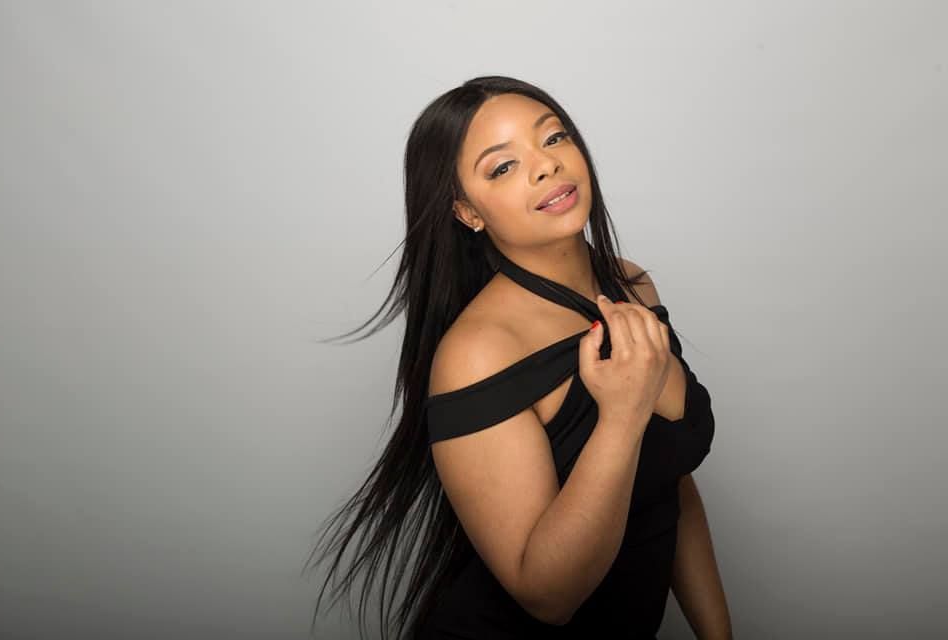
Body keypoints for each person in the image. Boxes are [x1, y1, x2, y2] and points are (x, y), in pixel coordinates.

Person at [304, 75, 730, 640]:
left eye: (553, 139)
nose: (545, 166)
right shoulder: (478, 354)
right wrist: (622, 416)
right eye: (502, 167)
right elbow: (548, 597)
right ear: (468, 212)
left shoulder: (633, 286)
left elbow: (668, 484)